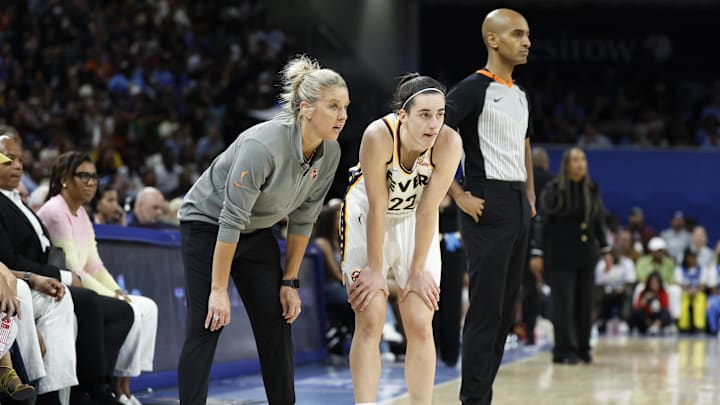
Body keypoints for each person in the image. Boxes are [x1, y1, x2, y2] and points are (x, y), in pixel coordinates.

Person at [176, 54, 349, 405]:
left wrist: (289, 282)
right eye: (333, 107)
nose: (342, 116)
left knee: (276, 320)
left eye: (345, 107)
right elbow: (230, 219)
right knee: (207, 322)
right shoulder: (262, 146)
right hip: (208, 225)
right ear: (306, 108)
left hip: (257, 232)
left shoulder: (330, 152)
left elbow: (304, 219)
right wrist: (219, 290)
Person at [342, 73, 462, 405]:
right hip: (368, 214)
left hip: (414, 219)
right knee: (371, 316)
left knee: (421, 322)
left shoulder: (449, 143)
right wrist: (377, 270)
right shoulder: (378, 135)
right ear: (403, 115)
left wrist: (419, 269)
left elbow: (427, 211)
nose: (434, 123)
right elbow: (379, 206)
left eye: (440, 114)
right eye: (425, 114)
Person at [0, 134, 134, 405]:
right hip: (25, 280)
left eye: (20, 160)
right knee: (83, 299)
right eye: (8, 160)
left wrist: (117, 291)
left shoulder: (18, 202)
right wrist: (54, 277)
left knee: (101, 305)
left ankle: (81, 390)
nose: (17, 166)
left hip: (37, 278)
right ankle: (83, 389)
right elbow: (10, 258)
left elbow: (92, 263)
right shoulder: (44, 208)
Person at [444, 8, 535, 404]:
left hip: (517, 203)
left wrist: (530, 197)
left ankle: (483, 396)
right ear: (493, 39)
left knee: (503, 314)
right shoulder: (471, 89)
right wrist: (458, 194)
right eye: (518, 34)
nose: (527, 41)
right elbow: (432, 136)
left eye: (528, 34)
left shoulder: (520, 95)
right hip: (486, 202)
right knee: (484, 312)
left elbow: (526, 145)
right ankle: (474, 400)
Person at [38, 151, 159, 405]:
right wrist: (113, 297)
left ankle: (123, 387)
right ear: (64, 179)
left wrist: (117, 291)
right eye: (84, 176)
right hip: (65, 286)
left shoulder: (81, 213)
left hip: (85, 285)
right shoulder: (55, 212)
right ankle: (107, 385)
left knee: (147, 307)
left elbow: (94, 264)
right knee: (127, 311)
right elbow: (73, 268)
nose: (91, 183)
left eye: (94, 177)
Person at [532, 147, 612, 364]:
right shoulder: (554, 188)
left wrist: (605, 251)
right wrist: (537, 252)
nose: (580, 164)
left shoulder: (591, 188)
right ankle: (564, 350)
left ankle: (583, 348)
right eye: (575, 160)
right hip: (560, 255)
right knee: (563, 305)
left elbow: (598, 221)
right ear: (567, 165)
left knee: (585, 304)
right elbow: (542, 222)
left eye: (583, 159)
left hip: (586, 254)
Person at [523, 146, 555, 346]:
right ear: (546, 163)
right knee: (556, 288)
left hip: (523, 242)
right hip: (549, 243)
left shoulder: (522, 181)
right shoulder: (554, 182)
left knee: (527, 290)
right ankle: (559, 331)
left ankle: (528, 333)